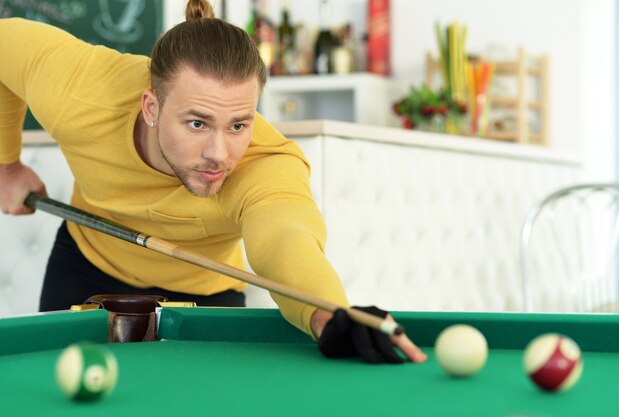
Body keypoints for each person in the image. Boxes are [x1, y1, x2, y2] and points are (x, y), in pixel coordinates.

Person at [0, 0, 426, 364]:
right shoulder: (80, 89)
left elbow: (285, 239)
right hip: (87, 266)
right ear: (151, 107)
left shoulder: (264, 163)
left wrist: (327, 315)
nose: (220, 154)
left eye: (239, 124)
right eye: (198, 123)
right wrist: (7, 163)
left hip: (207, 294)